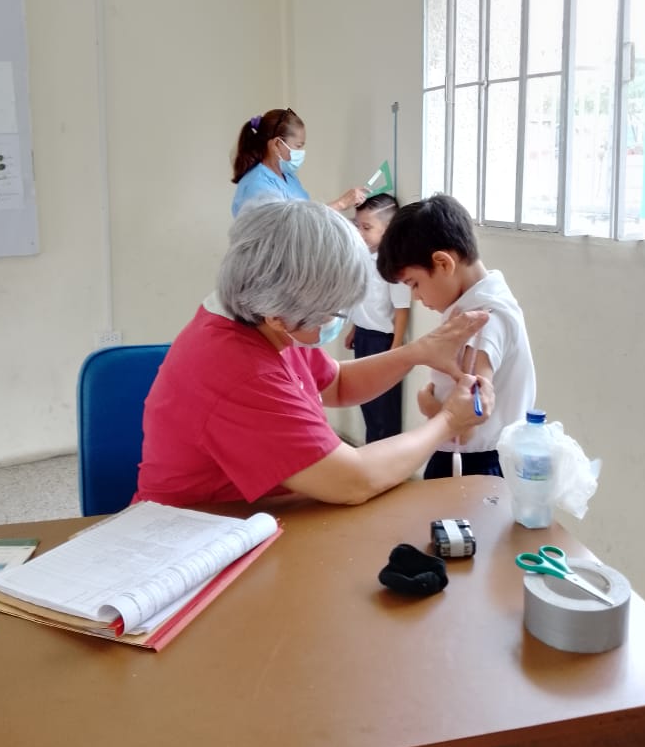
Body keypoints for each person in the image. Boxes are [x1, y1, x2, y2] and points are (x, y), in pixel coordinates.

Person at [134, 198, 493, 507]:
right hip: (199, 532)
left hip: (263, 514)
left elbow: (337, 383)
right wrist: (448, 421)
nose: (334, 320)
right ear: (278, 315)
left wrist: (417, 352)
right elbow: (353, 481)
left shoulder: (261, 316)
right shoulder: (239, 369)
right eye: (331, 312)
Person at [377, 193, 535, 479]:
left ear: (443, 263)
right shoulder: (484, 303)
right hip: (470, 458)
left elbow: (471, 418)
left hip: (471, 466)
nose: (415, 296)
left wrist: (430, 407)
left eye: (414, 283)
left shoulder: (482, 322)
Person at [345, 194, 411, 442]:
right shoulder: (362, 257)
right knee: (367, 402)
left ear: (387, 230)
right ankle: (370, 451)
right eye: (357, 225)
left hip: (382, 343)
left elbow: (402, 309)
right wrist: (354, 329)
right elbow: (362, 300)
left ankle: (385, 455)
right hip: (363, 338)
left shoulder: (391, 264)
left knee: (384, 408)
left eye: (367, 227)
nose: (359, 233)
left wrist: (395, 349)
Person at [230, 107, 367, 216]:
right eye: (298, 146)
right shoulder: (257, 185)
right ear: (277, 144)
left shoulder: (288, 177)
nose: (301, 152)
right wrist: (341, 204)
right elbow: (286, 228)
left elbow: (306, 214)